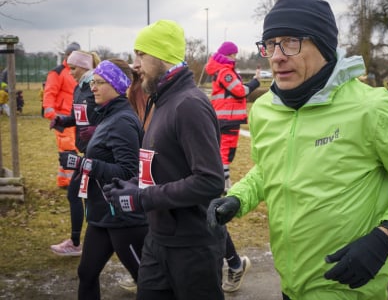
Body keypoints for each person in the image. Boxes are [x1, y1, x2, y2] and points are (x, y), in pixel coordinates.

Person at [206, 0, 388, 300]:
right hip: (290, 284)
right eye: (270, 44)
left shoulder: (374, 108)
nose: (277, 56)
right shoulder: (266, 109)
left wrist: (386, 236)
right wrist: (239, 198)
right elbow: (270, 168)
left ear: (322, 46)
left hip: (348, 287)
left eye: (290, 42)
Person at [103, 19, 226, 300]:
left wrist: (142, 198)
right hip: (158, 240)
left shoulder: (189, 104)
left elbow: (210, 182)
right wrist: (130, 186)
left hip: (192, 246)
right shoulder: (161, 100)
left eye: (140, 55)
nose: (135, 64)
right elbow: (165, 166)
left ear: (162, 57)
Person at [59, 58, 148, 300]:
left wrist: (82, 163)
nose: (93, 87)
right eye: (93, 82)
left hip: (123, 218)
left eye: (99, 82)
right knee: (86, 273)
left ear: (117, 86)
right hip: (101, 216)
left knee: (147, 281)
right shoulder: (106, 115)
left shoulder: (122, 121)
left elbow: (129, 172)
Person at [205, 41, 261, 292]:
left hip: (226, 120)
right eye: (234, 54)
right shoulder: (225, 71)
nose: (236, 58)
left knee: (224, 158)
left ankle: (224, 188)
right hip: (226, 120)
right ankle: (224, 188)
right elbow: (239, 91)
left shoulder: (221, 69)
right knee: (224, 157)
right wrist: (255, 83)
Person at [49, 50, 101, 256]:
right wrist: (63, 120)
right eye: (69, 68)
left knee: (79, 195)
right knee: (82, 196)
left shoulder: (96, 87)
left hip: (98, 151)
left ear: (85, 67)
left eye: (74, 68)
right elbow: (77, 117)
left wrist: (97, 130)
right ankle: (81, 242)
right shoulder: (79, 89)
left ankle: (80, 242)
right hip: (87, 150)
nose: (70, 72)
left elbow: (112, 115)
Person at [43, 42, 81, 189]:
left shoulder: (74, 71)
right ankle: (71, 182)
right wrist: (52, 114)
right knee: (68, 148)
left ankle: (65, 180)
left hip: (73, 116)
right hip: (62, 117)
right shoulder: (57, 72)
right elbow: (49, 93)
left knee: (71, 148)